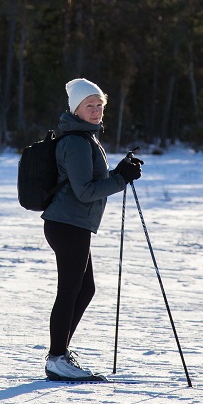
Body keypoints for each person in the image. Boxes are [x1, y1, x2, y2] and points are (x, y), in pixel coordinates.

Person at [41, 78, 143, 381]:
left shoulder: (85, 138)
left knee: (84, 288)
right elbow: (85, 191)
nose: (97, 110)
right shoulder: (75, 141)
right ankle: (57, 358)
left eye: (100, 105)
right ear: (77, 109)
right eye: (90, 105)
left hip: (73, 223)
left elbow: (88, 182)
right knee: (71, 290)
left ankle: (60, 353)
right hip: (67, 224)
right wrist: (120, 179)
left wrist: (119, 172)